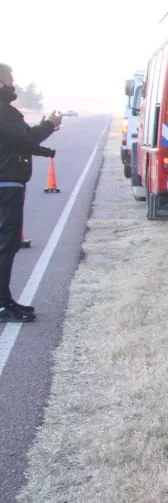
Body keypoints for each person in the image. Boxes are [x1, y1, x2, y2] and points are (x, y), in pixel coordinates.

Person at [0, 64, 59, 323]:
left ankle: (5, 300)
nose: (13, 84)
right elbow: (23, 137)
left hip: (8, 183)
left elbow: (16, 142)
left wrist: (45, 149)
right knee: (6, 244)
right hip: (7, 185)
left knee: (7, 244)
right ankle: (2, 305)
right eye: (9, 79)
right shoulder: (3, 112)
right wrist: (49, 124)